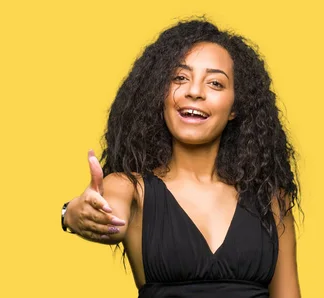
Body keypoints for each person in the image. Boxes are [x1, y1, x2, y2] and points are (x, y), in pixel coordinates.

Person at [60, 17, 302, 297]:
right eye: (180, 78)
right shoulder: (131, 189)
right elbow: (108, 215)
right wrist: (74, 213)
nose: (194, 92)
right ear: (160, 95)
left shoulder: (270, 198)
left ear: (235, 106)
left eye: (215, 83)